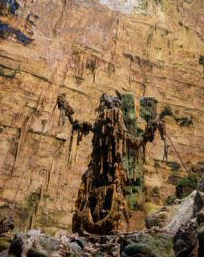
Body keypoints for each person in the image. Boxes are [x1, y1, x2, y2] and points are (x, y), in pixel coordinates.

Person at [56, 93, 166, 234]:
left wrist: (149, 129)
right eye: (107, 106)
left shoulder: (115, 129)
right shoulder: (100, 126)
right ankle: (82, 227)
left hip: (110, 171)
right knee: (86, 192)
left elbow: (136, 143)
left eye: (113, 106)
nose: (109, 111)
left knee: (114, 196)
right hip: (97, 170)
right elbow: (76, 124)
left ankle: (115, 227)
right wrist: (66, 108)